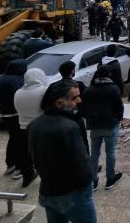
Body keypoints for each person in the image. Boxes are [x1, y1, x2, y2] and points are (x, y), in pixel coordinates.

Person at [28, 80, 97, 223]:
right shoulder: (69, 127)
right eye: (74, 98)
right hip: (73, 193)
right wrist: (90, 179)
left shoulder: (34, 125)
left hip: (48, 190)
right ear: (59, 103)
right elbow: (81, 164)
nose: (79, 100)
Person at [83, 65, 123, 191]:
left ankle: (93, 181)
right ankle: (110, 178)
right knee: (110, 152)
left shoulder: (88, 90)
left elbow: (84, 108)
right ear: (109, 75)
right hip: (111, 124)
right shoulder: (113, 89)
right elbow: (119, 107)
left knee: (94, 153)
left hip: (94, 125)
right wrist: (119, 118)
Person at [13, 68, 48, 187]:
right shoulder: (43, 90)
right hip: (40, 127)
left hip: (23, 127)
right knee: (43, 153)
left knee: (26, 154)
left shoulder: (18, 92)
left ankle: (27, 176)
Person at [0, 59, 27, 179]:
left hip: (4, 114)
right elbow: (20, 97)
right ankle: (19, 168)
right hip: (16, 115)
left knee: (13, 139)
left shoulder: (0, 78)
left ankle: (10, 165)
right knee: (20, 141)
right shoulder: (17, 80)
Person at [58, 62, 89, 152]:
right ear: (72, 71)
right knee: (82, 142)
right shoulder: (78, 85)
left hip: (61, 120)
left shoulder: (54, 86)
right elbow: (86, 100)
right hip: (77, 119)